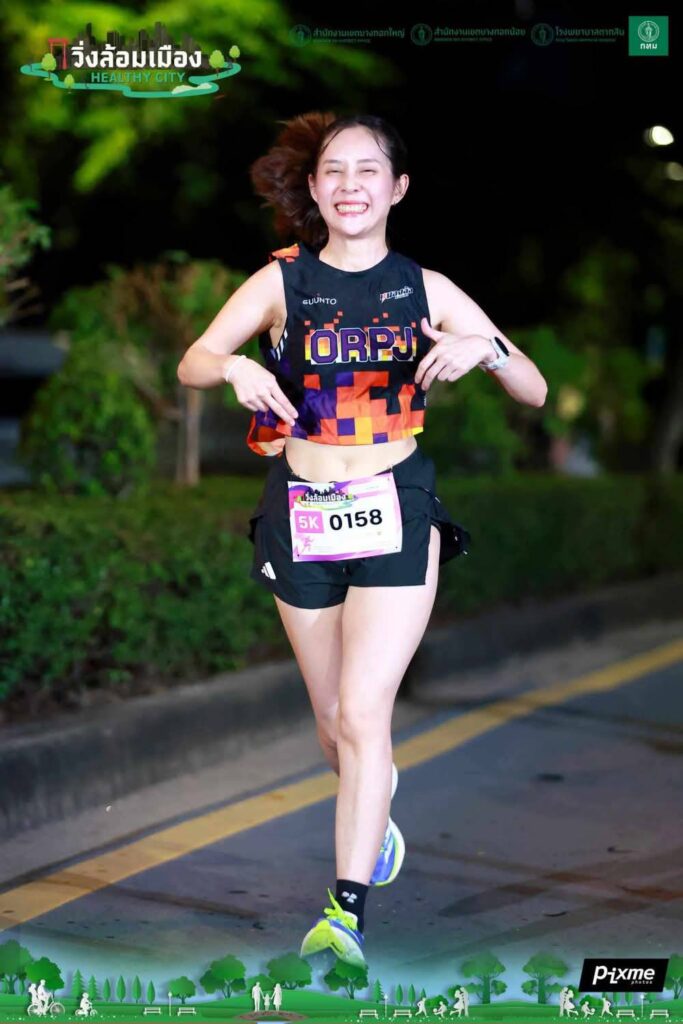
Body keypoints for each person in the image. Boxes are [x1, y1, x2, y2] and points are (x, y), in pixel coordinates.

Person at [177, 110, 547, 967]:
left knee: (362, 708)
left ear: (397, 188)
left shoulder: (426, 288)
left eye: (368, 170)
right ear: (313, 188)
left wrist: (483, 348)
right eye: (334, 171)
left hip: (396, 501)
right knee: (331, 720)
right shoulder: (282, 281)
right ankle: (372, 805)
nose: (350, 185)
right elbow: (194, 359)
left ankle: (344, 913)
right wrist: (232, 364)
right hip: (301, 508)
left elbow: (529, 387)